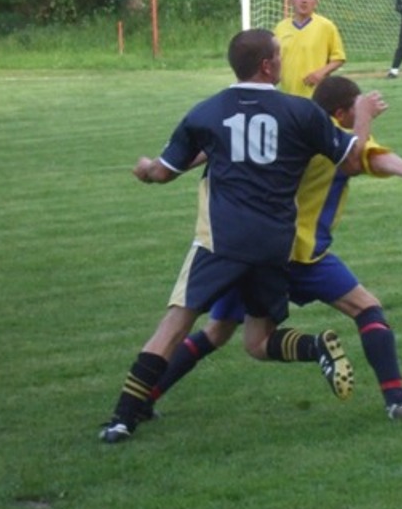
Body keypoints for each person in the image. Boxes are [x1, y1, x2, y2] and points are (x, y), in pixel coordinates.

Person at [99, 29, 382, 443]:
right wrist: (364, 115)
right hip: (274, 244)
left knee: (174, 326)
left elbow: (162, 172)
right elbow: (353, 160)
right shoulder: (301, 113)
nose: (283, 61)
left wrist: (144, 169)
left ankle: (122, 419)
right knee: (257, 341)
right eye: (279, 56)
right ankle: (314, 347)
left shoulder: (207, 112)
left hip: (222, 240)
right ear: (267, 66)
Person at [144, 76, 402, 420]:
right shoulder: (335, 140)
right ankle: (395, 398)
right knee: (366, 308)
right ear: (340, 113)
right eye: (355, 107)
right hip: (301, 253)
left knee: (217, 331)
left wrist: (162, 165)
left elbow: (218, 144)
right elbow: (367, 158)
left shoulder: (288, 125)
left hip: (250, 249)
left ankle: (143, 400)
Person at [273, 0, 347, 97]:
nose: (304, 0)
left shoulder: (326, 26)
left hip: (315, 94)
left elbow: (339, 58)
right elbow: (275, 58)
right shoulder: (280, 27)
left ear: (315, 2)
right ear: (291, 0)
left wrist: (320, 73)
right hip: (287, 94)